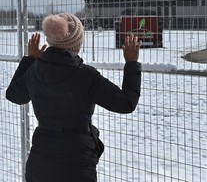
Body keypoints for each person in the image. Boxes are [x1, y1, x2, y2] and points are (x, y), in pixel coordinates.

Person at [5, 13, 142, 182]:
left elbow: (14, 95)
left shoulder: (34, 71)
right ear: (76, 43)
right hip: (76, 163)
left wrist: (29, 60)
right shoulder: (86, 75)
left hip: (40, 160)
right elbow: (126, 103)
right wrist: (132, 63)